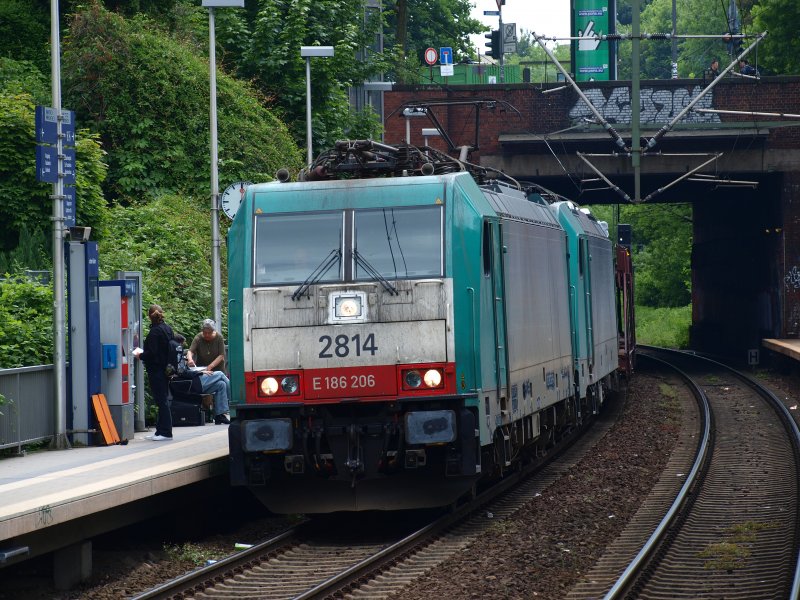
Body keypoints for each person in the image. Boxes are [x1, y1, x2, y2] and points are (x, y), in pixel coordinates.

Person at [134, 304, 174, 441]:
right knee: (162, 399)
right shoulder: (168, 329)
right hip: (167, 369)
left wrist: (140, 355)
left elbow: (152, 353)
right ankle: (159, 431)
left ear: (149, 315)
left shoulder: (154, 333)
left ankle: (166, 432)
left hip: (156, 370)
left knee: (161, 400)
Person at [187, 319, 231, 424]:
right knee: (221, 379)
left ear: (213, 331)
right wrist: (190, 359)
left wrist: (211, 366)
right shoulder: (198, 338)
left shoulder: (219, 338)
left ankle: (220, 415)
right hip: (204, 372)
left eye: (209, 333)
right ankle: (233, 399)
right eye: (204, 332)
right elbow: (190, 351)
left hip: (215, 368)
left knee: (221, 385)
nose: (206, 335)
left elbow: (221, 355)